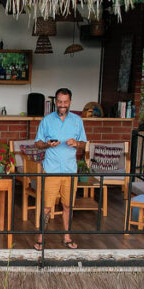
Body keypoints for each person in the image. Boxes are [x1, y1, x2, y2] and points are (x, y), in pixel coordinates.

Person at [33, 88, 87, 250]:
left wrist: (76, 143)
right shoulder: (47, 120)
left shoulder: (77, 121)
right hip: (51, 170)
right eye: (59, 101)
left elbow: (84, 144)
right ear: (55, 102)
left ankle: (67, 237)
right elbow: (38, 143)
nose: (62, 105)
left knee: (68, 206)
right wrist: (47, 144)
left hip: (70, 171)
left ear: (70, 102)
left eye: (65, 101)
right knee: (47, 207)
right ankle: (41, 238)